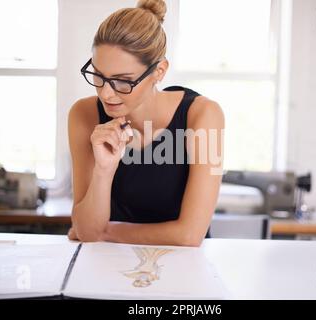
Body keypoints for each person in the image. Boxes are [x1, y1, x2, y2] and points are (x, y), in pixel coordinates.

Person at [67, 0, 224, 246]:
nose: (106, 94)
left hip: (184, 270)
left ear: (159, 71)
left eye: (123, 81)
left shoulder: (204, 116)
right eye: (98, 76)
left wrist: (107, 232)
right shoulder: (83, 115)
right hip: (106, 268)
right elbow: (87, 231)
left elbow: (190, 235)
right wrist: (104, 171)